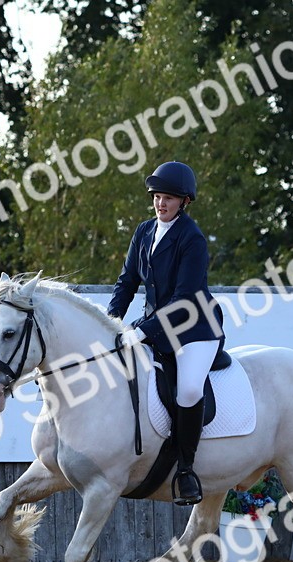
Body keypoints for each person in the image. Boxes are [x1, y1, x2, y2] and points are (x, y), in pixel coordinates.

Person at [108, 161, 224, 506]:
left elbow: (183, 299)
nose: (161, 203)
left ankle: (186, 470)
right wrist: (111, 322)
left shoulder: (192, 239)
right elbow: (127, 281)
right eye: (158, 196)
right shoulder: (144, 232)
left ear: (184, 201)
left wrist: (143, 331)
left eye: (169, 198)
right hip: (156, 329)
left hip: (195, 329)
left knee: (188, 390)